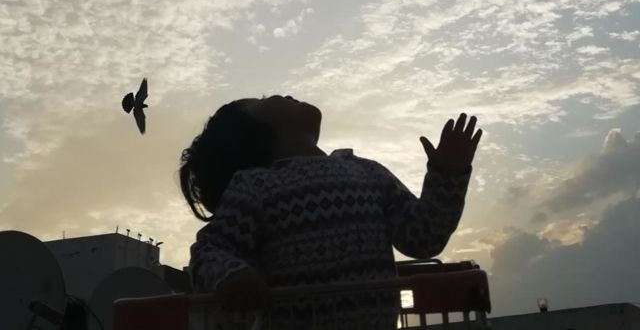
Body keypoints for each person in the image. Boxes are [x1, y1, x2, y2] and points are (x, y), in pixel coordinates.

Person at [179, 95, 482, 329]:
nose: (283, 94)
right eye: (263, 99)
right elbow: (211, 248)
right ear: (249, 134)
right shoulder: (253, 186)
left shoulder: (369, 172)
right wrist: (231, 274)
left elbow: (423, 237)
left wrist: (447, 174)